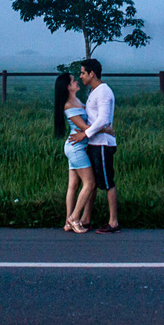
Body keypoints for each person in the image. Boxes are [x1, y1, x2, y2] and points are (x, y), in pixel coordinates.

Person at [67, 58, 120, 233]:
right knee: (93, 182)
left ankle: (113, 222)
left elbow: (103, 119)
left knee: (107, 182)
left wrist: (85, 134)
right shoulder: (94, 91)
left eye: (83, 73)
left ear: (92, 74)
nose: (81, 76)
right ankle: (86, 219)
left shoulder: (103, 92)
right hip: (94, 142)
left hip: (102, 144)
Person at [53, 72, 104, 233]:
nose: (77, 82)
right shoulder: (69, 105)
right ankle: (74, 218)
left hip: (76, 146)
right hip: (76, 148)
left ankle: (68, 222)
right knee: (90, 183)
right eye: (73, 81)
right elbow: (85, 128)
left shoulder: (77, 101)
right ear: (68, 87)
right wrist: (106, 129)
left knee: (73, 186)